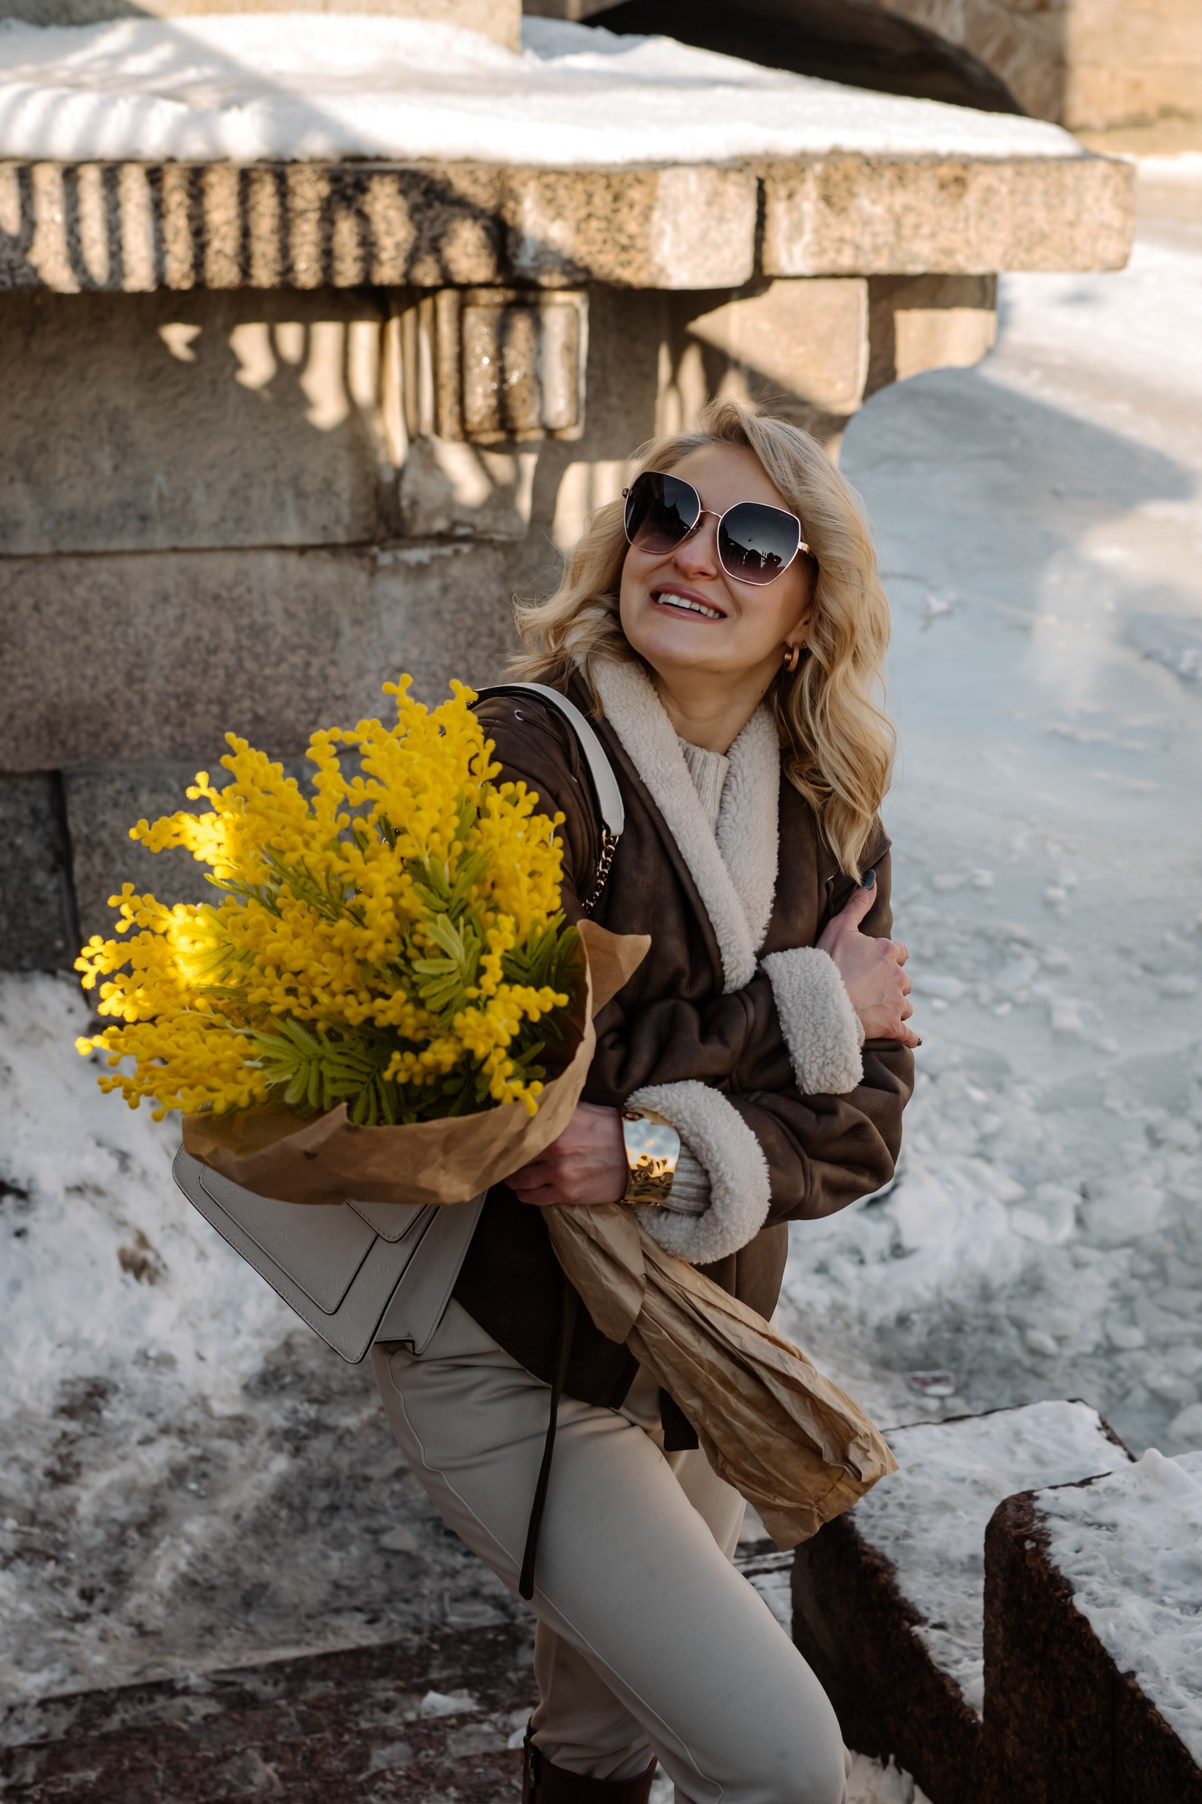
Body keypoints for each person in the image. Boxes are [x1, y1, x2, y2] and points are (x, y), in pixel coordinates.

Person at [371, 399, 917, 1804]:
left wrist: (658, 1153)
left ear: (808, 606)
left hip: (695, 1350)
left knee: (601, 1734)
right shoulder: (523, 753)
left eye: (751, 539)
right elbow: (511, 1087)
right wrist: (799, 1013)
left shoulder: (830, 813)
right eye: (663, 512)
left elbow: (866, 1120)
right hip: (506, 1348)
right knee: (781, 1760)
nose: (691, 556)